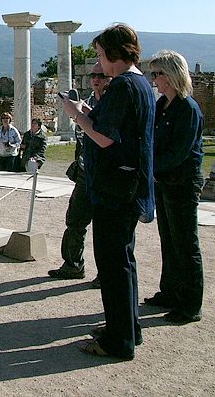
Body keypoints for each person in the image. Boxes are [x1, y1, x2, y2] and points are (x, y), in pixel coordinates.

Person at [62, 23, 155, 360]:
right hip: (127, 186)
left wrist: (76, 116)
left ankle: (119, 341)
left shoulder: (123, 87)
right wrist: (88, 114)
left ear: (116, 54)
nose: (99, 62)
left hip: (116, 188)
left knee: (114, 266)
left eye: (101, 55)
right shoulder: (140, 84)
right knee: (124, 262)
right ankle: (128, 328)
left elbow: (104, 137)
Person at [145, 50, 204, 324]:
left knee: (186, 244)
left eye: (158, 74)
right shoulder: (162, 106)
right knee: (168, 241)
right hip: (164, 182)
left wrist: (151, 168)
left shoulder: (188, 109)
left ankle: (190, 305)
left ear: (171, 75)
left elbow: (180, 152)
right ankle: (169, 292)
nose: (154, 79)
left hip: (182, 184)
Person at [48, 62, 111, 285]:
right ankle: (73, 264)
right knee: (75, 219)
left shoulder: (113, 103)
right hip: (86, 171)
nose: (97, 79)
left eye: (102, 75)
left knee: (106, 229)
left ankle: (108, 273)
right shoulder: (88, 101)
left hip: (105, 175)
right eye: (94, 75)